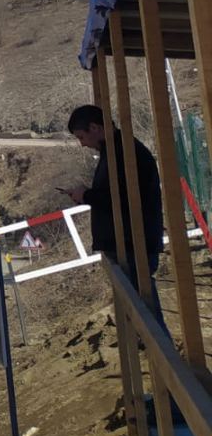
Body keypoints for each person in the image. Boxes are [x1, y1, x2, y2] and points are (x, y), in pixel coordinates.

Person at [65, 105, 165, 321]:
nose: (82, 144)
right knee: (141, 315)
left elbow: (123, 199)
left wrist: (87, 196)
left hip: (133, 245)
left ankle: (164, 351)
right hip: (127, 244)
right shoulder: (115, 151)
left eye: (81, 137)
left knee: (147, 319)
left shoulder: (124, 153)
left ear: (95, 128)